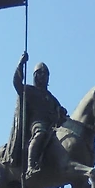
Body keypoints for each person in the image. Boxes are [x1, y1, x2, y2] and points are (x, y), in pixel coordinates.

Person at [9, 52, 68, 180]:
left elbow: (59, 109)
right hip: (36, 123)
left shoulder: (50, 97)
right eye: (40, 73)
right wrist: (21, 64)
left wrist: (61, 111)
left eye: (45, 74)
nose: (43, 76)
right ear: (35, 75)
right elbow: (17, 83)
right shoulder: (29, 90)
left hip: (52, 125)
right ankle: (31, 166)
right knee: (40, 133)